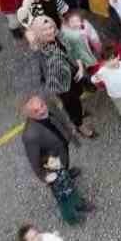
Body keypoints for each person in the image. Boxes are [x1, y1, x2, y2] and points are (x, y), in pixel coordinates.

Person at [19, 95, 91, 224]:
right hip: (52, 165)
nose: (42, 110)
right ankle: (71, 217)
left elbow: (60, 120)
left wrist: (70, 132)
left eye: (41, 105)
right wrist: (46, 176)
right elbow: (34, 162)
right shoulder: (30, 135)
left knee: (66, 172)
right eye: (36, 111)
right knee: (63, 195)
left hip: (62, 152)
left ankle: (67, 174)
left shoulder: (49, 106)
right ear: (30, 115)